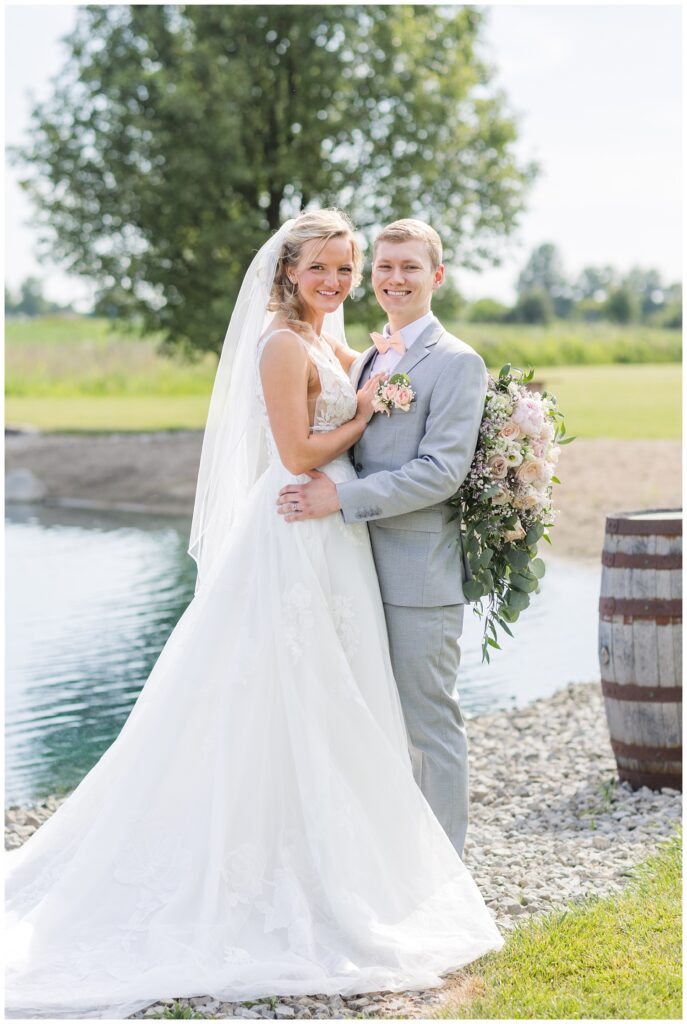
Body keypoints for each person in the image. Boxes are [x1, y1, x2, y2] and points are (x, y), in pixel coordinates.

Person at [5, 210, 502, 1020]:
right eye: (325, 269)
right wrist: (366, 413)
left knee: (345, 703)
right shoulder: (281, 342)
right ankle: (282, 868)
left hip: (338, 540)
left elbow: (388, 417)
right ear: (286, 272)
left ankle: (371, 864)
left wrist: (366, 407)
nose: (339, 281)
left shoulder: (347, 342)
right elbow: (301, 452)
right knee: (282, 697)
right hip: (299, 529)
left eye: (348, 267)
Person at [277, 219, 487, 858]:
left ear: (437, 277)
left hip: (418, 573)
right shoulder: (370, 356)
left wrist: (340, 498)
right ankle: (392, 860)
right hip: (356, 565)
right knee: (371, 722)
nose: (395, 280)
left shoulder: (456, 362)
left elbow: (441, 473)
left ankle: (446, 871)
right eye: (385, 268)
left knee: (429, 725)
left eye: (410, 268)